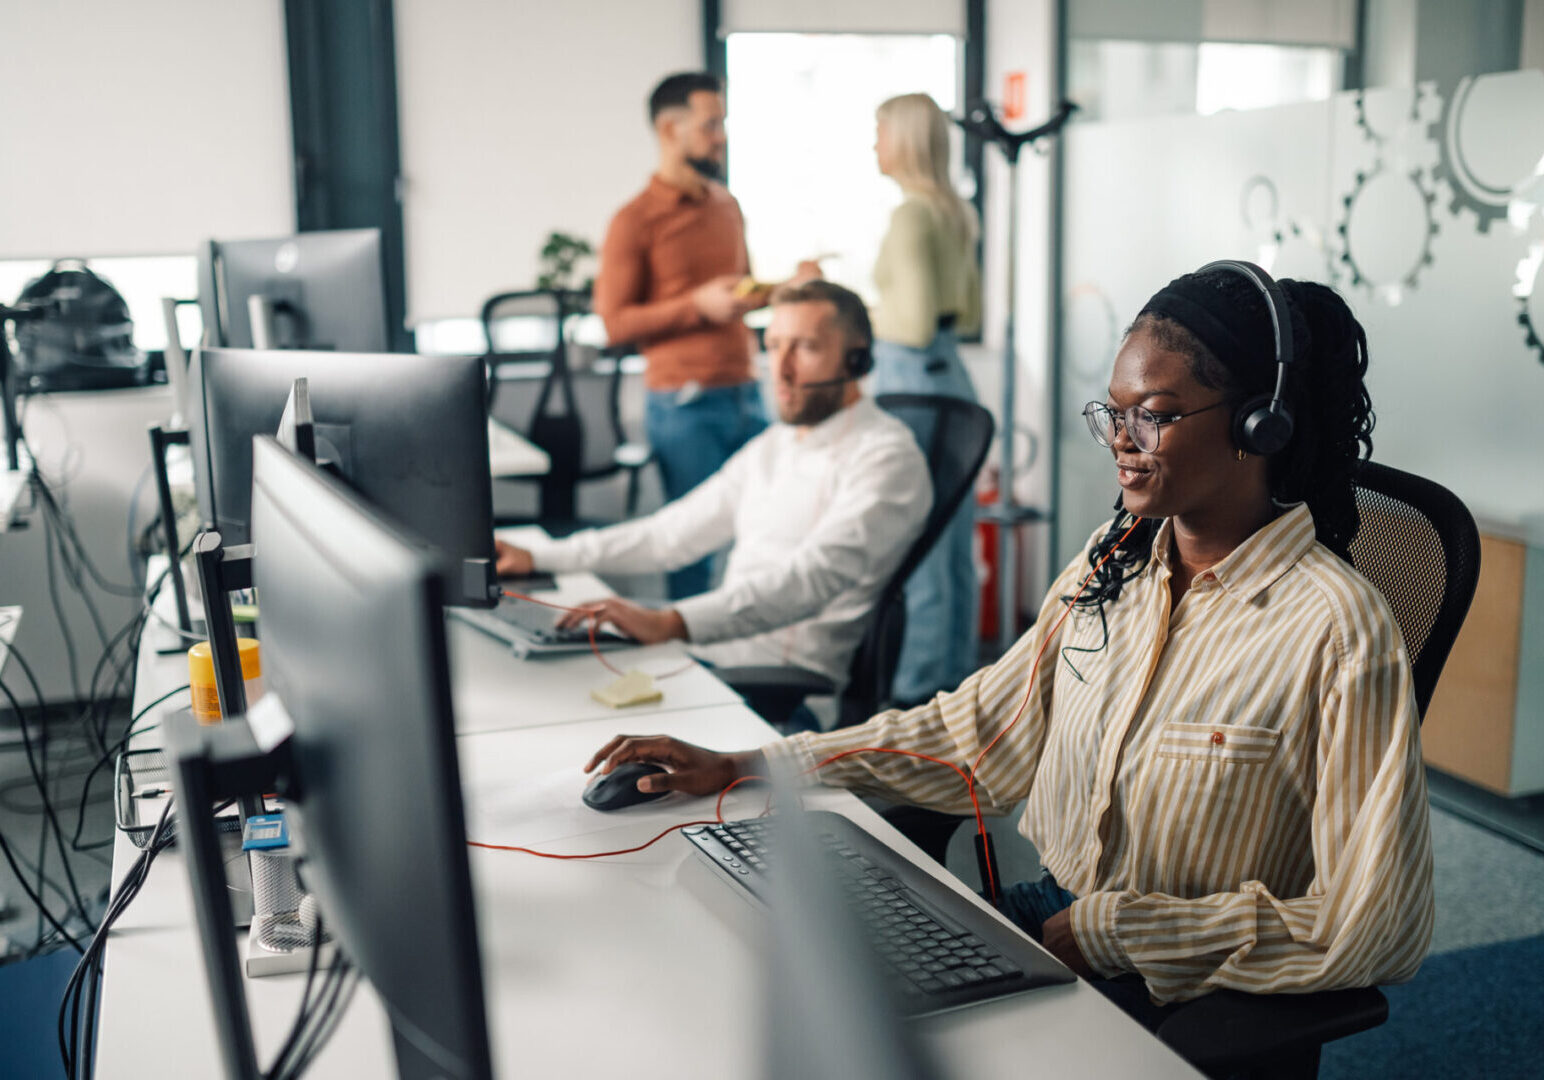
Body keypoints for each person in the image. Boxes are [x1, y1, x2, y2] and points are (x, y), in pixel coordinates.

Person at [582, 265, 1435, 1020]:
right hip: (1040, 919)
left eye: (1157, 416)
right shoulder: (1113, 568)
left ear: (1260, 427)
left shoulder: (1336, 629)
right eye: (1114, 413)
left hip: (1183, 982)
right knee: (759, 977)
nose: (1121, 444)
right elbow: (971, 735)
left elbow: (1377, 925)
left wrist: (1121, 931)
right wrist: (749, 763)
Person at [496, 281, 931, 718]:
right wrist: (540, 557)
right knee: (540, 687)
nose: (780, 370)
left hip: (777, 693)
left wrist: (670, 621)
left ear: (858, 360)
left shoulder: (887, 458)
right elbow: (669, 535)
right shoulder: (777, 444)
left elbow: (810, 580)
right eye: (774, 346)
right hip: (706, 656)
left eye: (805, 348)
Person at [592, 71, 771, 601]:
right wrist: (697, 306)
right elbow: (615, 323)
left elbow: (742, 291)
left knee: (763, 541)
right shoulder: (634, 221)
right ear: (670, 129)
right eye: (710, 124)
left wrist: (784, 290)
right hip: (685, 406)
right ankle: (690, 673)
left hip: (749, 395)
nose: (721, 136)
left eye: (722, 124)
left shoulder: (727, 205)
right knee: (691, 551)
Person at [869, 92, 984, 705]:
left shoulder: (911, 216)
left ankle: (914, 697)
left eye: (880, 131)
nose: (874, 144)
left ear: (906, 141)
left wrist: (852, 313)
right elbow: (967, 312)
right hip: (950, 375)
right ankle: (957, 686)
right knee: (952, 543)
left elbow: (908, 325)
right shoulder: (953, 210)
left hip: (911, 377)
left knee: (919, 544)